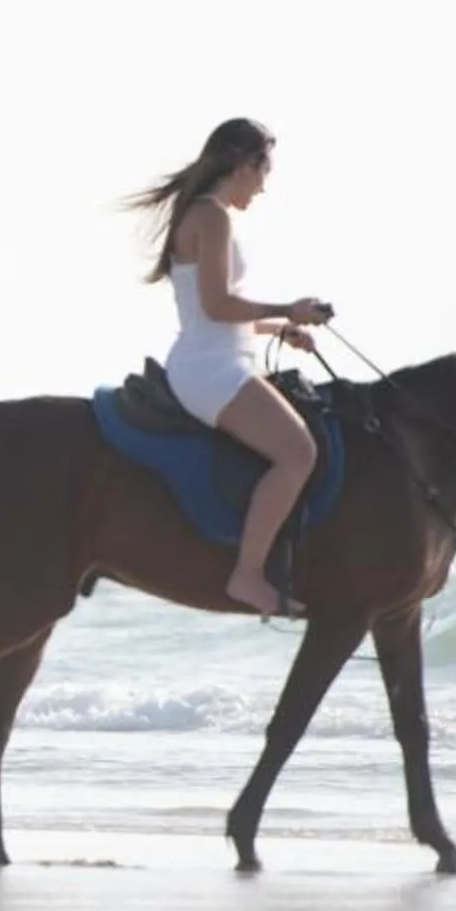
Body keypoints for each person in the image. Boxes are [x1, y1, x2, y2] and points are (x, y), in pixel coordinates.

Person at [129, 118, 335, 618]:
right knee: (298, 453)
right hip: (210, 370)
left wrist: (278, 331)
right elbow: (219, 305)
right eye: (263, 172)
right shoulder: (212, 216)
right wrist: (287, 309)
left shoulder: (207, 214)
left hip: (215, 359)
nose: (264, 186)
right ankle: (247, 574)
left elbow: (212, 314)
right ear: (244, 165)